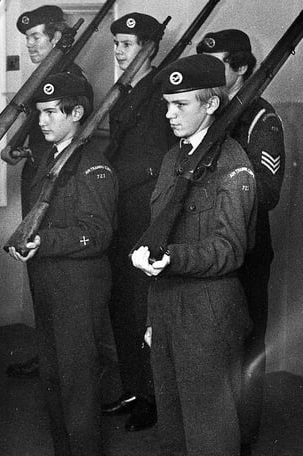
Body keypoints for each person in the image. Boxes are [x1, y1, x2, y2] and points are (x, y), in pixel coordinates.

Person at [131, 54, 256, 456]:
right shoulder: (172, 159)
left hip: (208, 310)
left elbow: (229, 250)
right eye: (167, 104)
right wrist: (150, 313)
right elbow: (159, 227)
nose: (169, 113)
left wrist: (173, 260)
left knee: (209, 434)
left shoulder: (232, 164)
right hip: (166, 307)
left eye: (180, 104)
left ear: (212, 104)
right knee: (175, 431)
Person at [7, 72, 116, 456]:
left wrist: (43, 242)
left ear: (78, 114)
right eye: (40, 112)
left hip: (79, 282)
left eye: (52, 113)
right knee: (52, 370)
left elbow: (98, 234)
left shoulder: (93, 166)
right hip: (49, 278)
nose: (43, 121)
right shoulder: (48, 158)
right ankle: (64, 453)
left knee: (77, 374)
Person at [197, 29, 285, 456]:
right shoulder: (206, 111)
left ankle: (244, 432)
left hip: (247, 247)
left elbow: (267, 192)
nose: (210, 75)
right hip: (209, 247)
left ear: (243, 69)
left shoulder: (259, 118)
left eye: (220, 68)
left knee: (247, 340)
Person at [3, 5, 86, 379]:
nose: (31, 45)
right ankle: (46, 351)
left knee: (56, 272)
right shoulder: (41, 77)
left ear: (57, 38)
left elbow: (74, 139)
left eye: (37, 37)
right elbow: (32, 128)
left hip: (59, 186)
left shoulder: (72, 80)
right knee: (37, 270)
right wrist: (15, 147)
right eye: (27, 39)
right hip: (36, 178)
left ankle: (62, 358)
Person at [104, 12, 173, 431]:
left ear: (149, 48)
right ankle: (133, 385)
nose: (117, 51)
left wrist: (111, 180)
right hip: (121, 211)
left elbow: (154, 161)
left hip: (143, 212)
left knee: (142, 305)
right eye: (116, 43)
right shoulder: (127, 90)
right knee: (122, 305)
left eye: (126, 44)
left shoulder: (158, 90)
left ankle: (151, 395)